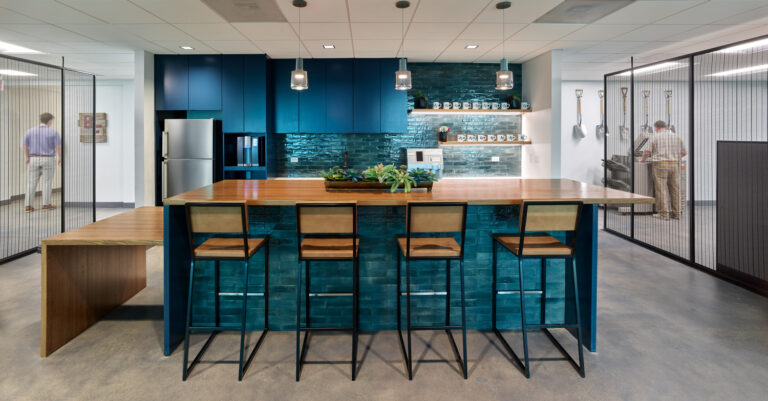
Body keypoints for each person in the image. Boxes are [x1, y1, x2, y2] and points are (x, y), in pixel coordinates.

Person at [641, 120, 686, 220]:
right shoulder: (677, 137)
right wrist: (675, 158)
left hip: (660, 165)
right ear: (666, 127)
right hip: (674, 165)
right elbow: (684, 152)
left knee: (661, 189)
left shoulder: (655, 137)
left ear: (656, 128)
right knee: (675, 189)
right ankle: (677, 213)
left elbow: (647, 151)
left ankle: (664, 214)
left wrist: (642, 160)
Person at [23, 112, 61, 212]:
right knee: (47, 182)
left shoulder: (29, 131)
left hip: (33, 159)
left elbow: (25, 146)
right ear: (49, 121)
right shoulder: (53, 132)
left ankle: (28, 206)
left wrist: (27, 157)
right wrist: (60, 158)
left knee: (31, 183)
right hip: (48, 159)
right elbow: (58, 147)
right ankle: (46, 204)